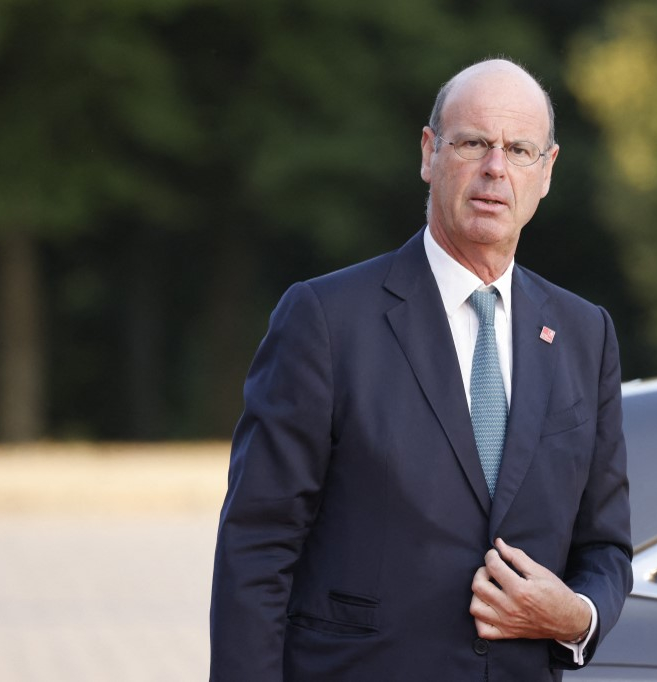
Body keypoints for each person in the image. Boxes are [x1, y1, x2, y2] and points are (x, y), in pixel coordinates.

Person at [209, 58, 633, 681]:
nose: (495, 168)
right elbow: (257, 547)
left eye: (519, 150)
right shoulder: (325, 319)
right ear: (430, 153)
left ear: (546, 172)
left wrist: (576, 617)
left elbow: (606, 546)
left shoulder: (584, 333)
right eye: (473, 143)